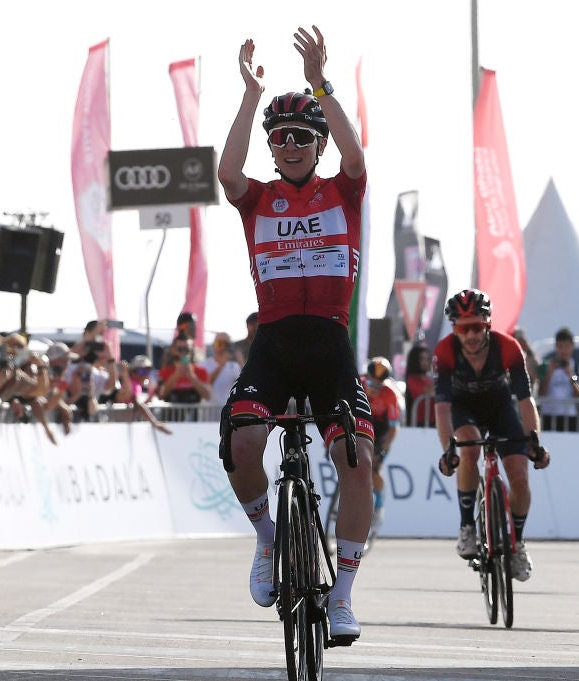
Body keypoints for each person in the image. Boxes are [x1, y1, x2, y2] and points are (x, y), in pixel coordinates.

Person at [216, 26, 372, 641]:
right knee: (240, 444)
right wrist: (251, 95)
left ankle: (343, 598)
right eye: (279, 138)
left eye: (302, 136)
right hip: (275, 345)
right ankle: (267, 540)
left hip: (330, 343)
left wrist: (320, 85)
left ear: (319, 142)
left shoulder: (343, 190)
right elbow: (227, 171)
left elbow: (356, 157)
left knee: (355, 459)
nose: (290, 146)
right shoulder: (259, 199)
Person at [433, 289, 549, 582]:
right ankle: (467, 528)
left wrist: (534, 440)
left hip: (500, 407)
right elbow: (442, 408)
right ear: (454, 329)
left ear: (487, 324)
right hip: (463, 409)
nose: (471, 335)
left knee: (519, 477)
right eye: (464, 329)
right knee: (469, 450)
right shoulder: (445, 351)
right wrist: (448, 450)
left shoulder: (508, 346)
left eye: (477, 327)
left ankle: (517, 543)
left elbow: (525, 400)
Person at [361, 357, 400, 536]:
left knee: (374, 468)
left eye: (378, 385)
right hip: (362, 424)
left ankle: (379, 507)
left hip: (382, 431)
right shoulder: (358, 385)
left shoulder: (390, 394)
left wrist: (382, 450)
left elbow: (393, 429)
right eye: (371, 384)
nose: (374, 389)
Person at [537, 326, 579, 432]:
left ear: (572, 346)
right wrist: (549, 373)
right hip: (548, 415)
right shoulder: (545, 366)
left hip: (569, 416)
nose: (563, 350)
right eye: (560, 346)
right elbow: (541, 393)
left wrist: (571, 375)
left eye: (567, 346)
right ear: (556, 346)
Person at [155, 333, 211, 406]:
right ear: (173, 350)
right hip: (172, 412)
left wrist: (191, 376)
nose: (184, 352)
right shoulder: (165, 372)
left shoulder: (201, 371)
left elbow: (207, 396)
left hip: (194, 412)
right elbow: (160, 396)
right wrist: (176, 375)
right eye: (180, 349)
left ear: (192, 350)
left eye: (187, 349)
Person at [202, 331, 241, 405]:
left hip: (227, 410)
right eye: (219, 343)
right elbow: (205, 386)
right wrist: (221, 366)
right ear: (213, 345)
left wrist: (239, 359)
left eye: (226, 344)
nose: (222, 347)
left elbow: (241, 385)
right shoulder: (203, 364)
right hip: (209, 410)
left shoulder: (234, 366)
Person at [404, 344, 435, 426]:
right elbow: (427, 390)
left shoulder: (429, 378)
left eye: (427, 359)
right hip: (420, 423)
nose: (426, 362)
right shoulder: (412, 379)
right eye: (422, 359)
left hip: (433, 421)